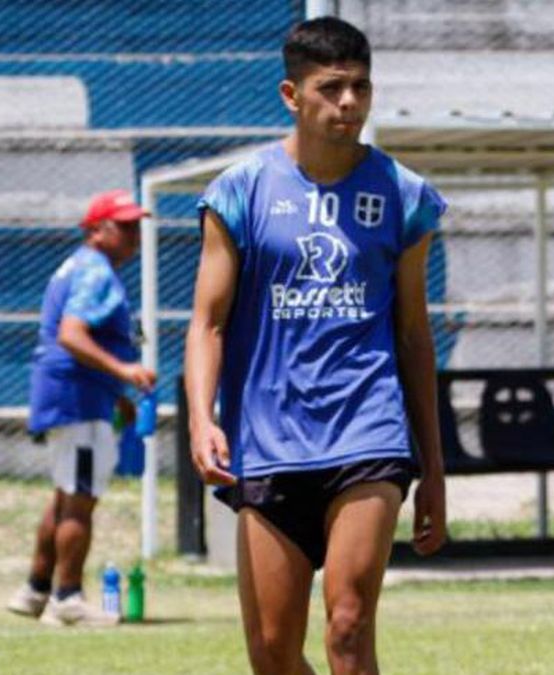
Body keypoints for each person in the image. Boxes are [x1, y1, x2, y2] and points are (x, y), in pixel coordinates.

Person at [185, 16, 447, 674]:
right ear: (291, 95)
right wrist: (200, 419)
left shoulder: (404, 196)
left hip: (367, 432)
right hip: (268, 439)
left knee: (349, 629)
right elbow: (207, 323)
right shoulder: (239, 192)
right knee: (273, 653)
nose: (349, 102)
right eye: (331, 88)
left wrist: (434, 468)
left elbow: (414, 335)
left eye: (361, 87)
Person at [6, 189, 156, 627]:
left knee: (66, 493)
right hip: (78, 398)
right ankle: (67, 598)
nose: (134, 236)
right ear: (96, 230)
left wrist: (117, 394)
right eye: (124, 226)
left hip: (73, 393)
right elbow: (71, 335)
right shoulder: (96, 271)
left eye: (136, 226)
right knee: (81, 499)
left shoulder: (76, 265)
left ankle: (36, 589)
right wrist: (125, 371)